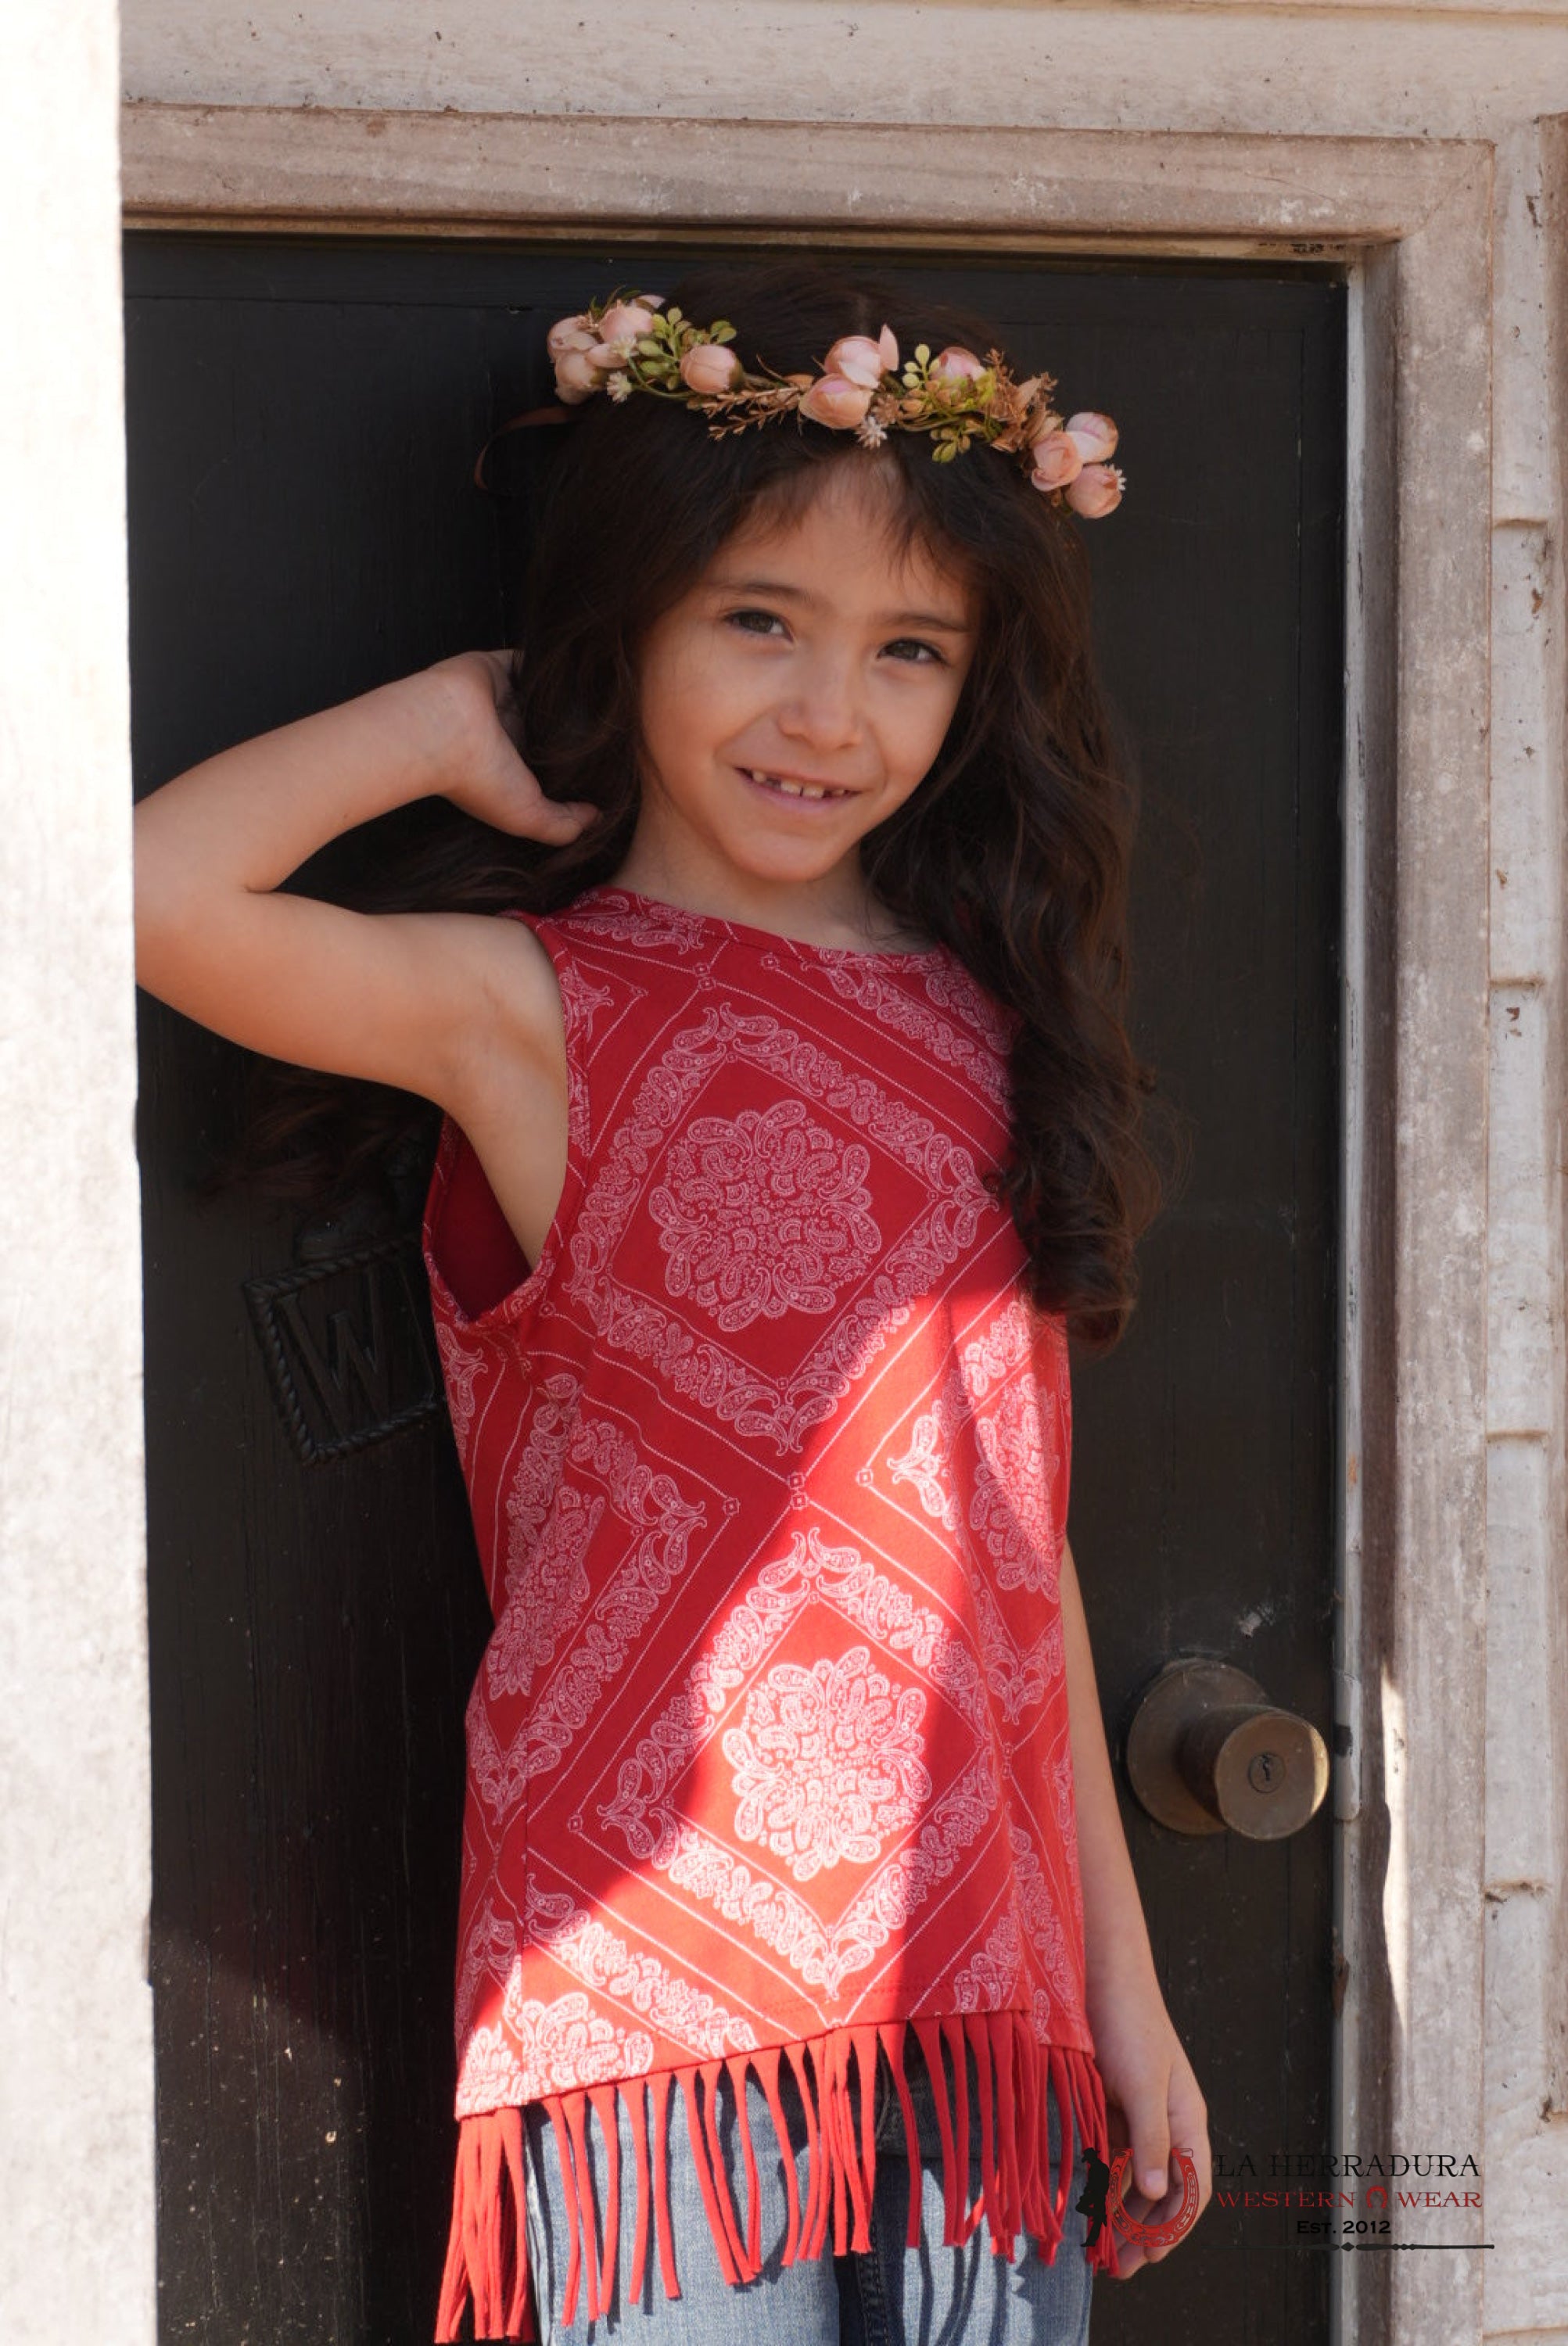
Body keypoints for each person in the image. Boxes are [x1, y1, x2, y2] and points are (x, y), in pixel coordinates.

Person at [134, 260, 1211, 2344]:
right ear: (625, 622)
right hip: (656, 2010)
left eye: (909, 651)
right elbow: (145, 895)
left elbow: (1015, 1552)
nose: (828, 715)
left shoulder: (984, 1027)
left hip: (975, 2006)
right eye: (757, 622)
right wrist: (440, 724)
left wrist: (1124, 1982)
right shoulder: (532, 1014)